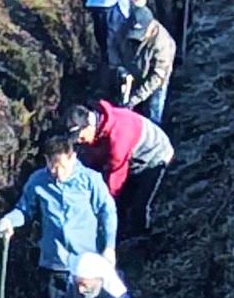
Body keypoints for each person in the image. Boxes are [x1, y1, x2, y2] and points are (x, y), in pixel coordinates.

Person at [0, 134, 117, 298]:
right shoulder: (38, 181)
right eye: (51, 165)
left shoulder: (91, 181)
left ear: (72, 157)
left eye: (60, 165)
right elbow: (24, 210)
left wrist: (109, 247)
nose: (56, 171)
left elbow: (107, 213)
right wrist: (10, 221)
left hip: (86, 267)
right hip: (55, 264)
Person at [67, 101, 174, 241]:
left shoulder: (118, 138)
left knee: (138, 204)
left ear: (90, 125)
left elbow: (115, 179)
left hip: (155, 156)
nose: (80, 141)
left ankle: (140, 239)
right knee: (122, 202)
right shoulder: (99, 127)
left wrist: (102, 205)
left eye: (81, 136)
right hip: (130, 157)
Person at [110, 6, 176, 126]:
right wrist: (120, 69)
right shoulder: (124, 29)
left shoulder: (163, 44)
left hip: (155, 82)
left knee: (154, 112)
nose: (136, 38)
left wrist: (135, 99)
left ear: (151, 26)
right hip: (131, 73)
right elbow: (113, 47)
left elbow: (157, 78)